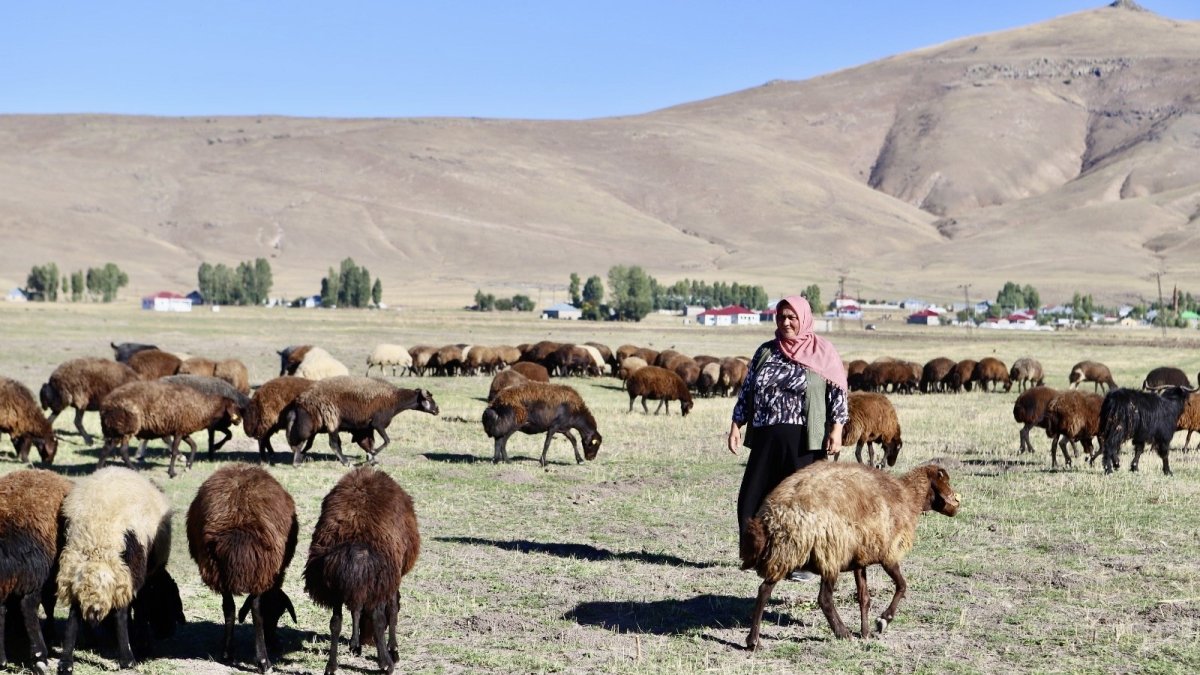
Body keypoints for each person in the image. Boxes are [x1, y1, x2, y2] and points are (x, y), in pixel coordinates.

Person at [727, 295, 849, 550]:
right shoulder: (766, 351)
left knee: (805, 501)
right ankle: (757, 551)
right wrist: (736, 425)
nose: (785, 322)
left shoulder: (822, 351)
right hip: (766, 437)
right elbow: (748, 390)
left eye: (792, 317)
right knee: (752, 497)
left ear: (803, 318)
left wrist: (837, 429)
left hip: (805, 440)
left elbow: (837, 393)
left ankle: (804, 557)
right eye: (781, 317)